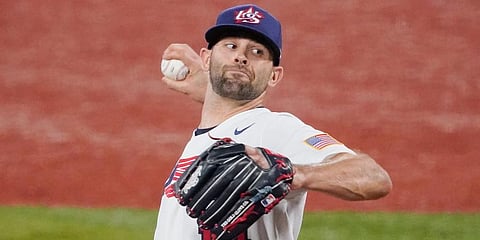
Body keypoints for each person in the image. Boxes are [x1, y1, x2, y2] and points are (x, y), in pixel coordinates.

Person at [154, 4, 392, 240]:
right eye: (231, 46)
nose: (241, 57)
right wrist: (211, 90)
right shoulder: (208, 134)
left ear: (274, 76)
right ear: (206, 59)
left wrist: (294, 174)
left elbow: (373, 177)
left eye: (257, 52)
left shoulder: (272, 129)